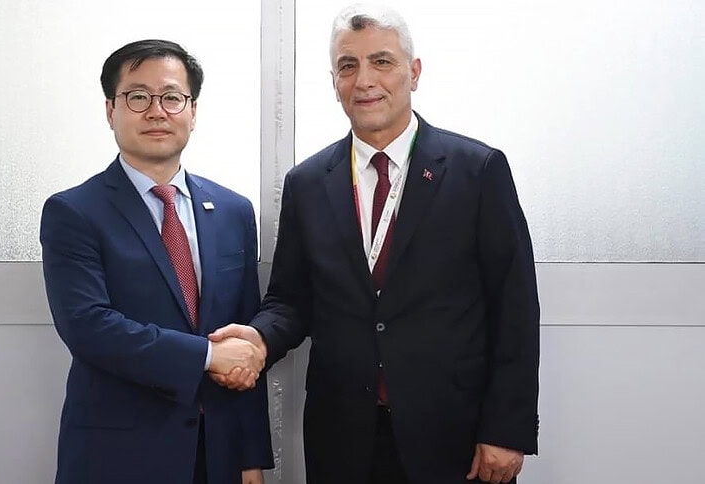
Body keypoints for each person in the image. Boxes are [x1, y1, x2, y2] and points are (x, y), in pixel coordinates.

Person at [211, 4, 539, 484]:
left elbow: (515, 306)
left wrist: (507, 429)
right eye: (348, 66)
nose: (364, 80)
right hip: (344, 438)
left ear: (414, 71)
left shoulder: (477, 170)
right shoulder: (307, 183)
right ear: (334, 82)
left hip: (455, 434)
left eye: (381, 61)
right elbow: (291, 299)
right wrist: (259, 339)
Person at [40, 39, 272, 484]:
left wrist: (250, 458)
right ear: (111, 110)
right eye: (138, 97)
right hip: (119, 457)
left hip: (217, 454)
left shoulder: (233, 210)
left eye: (171, 97)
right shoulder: (74, 212)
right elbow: (88, 327)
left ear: (193, 111)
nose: (156, 111)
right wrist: (208, 356)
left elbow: (242, 337)